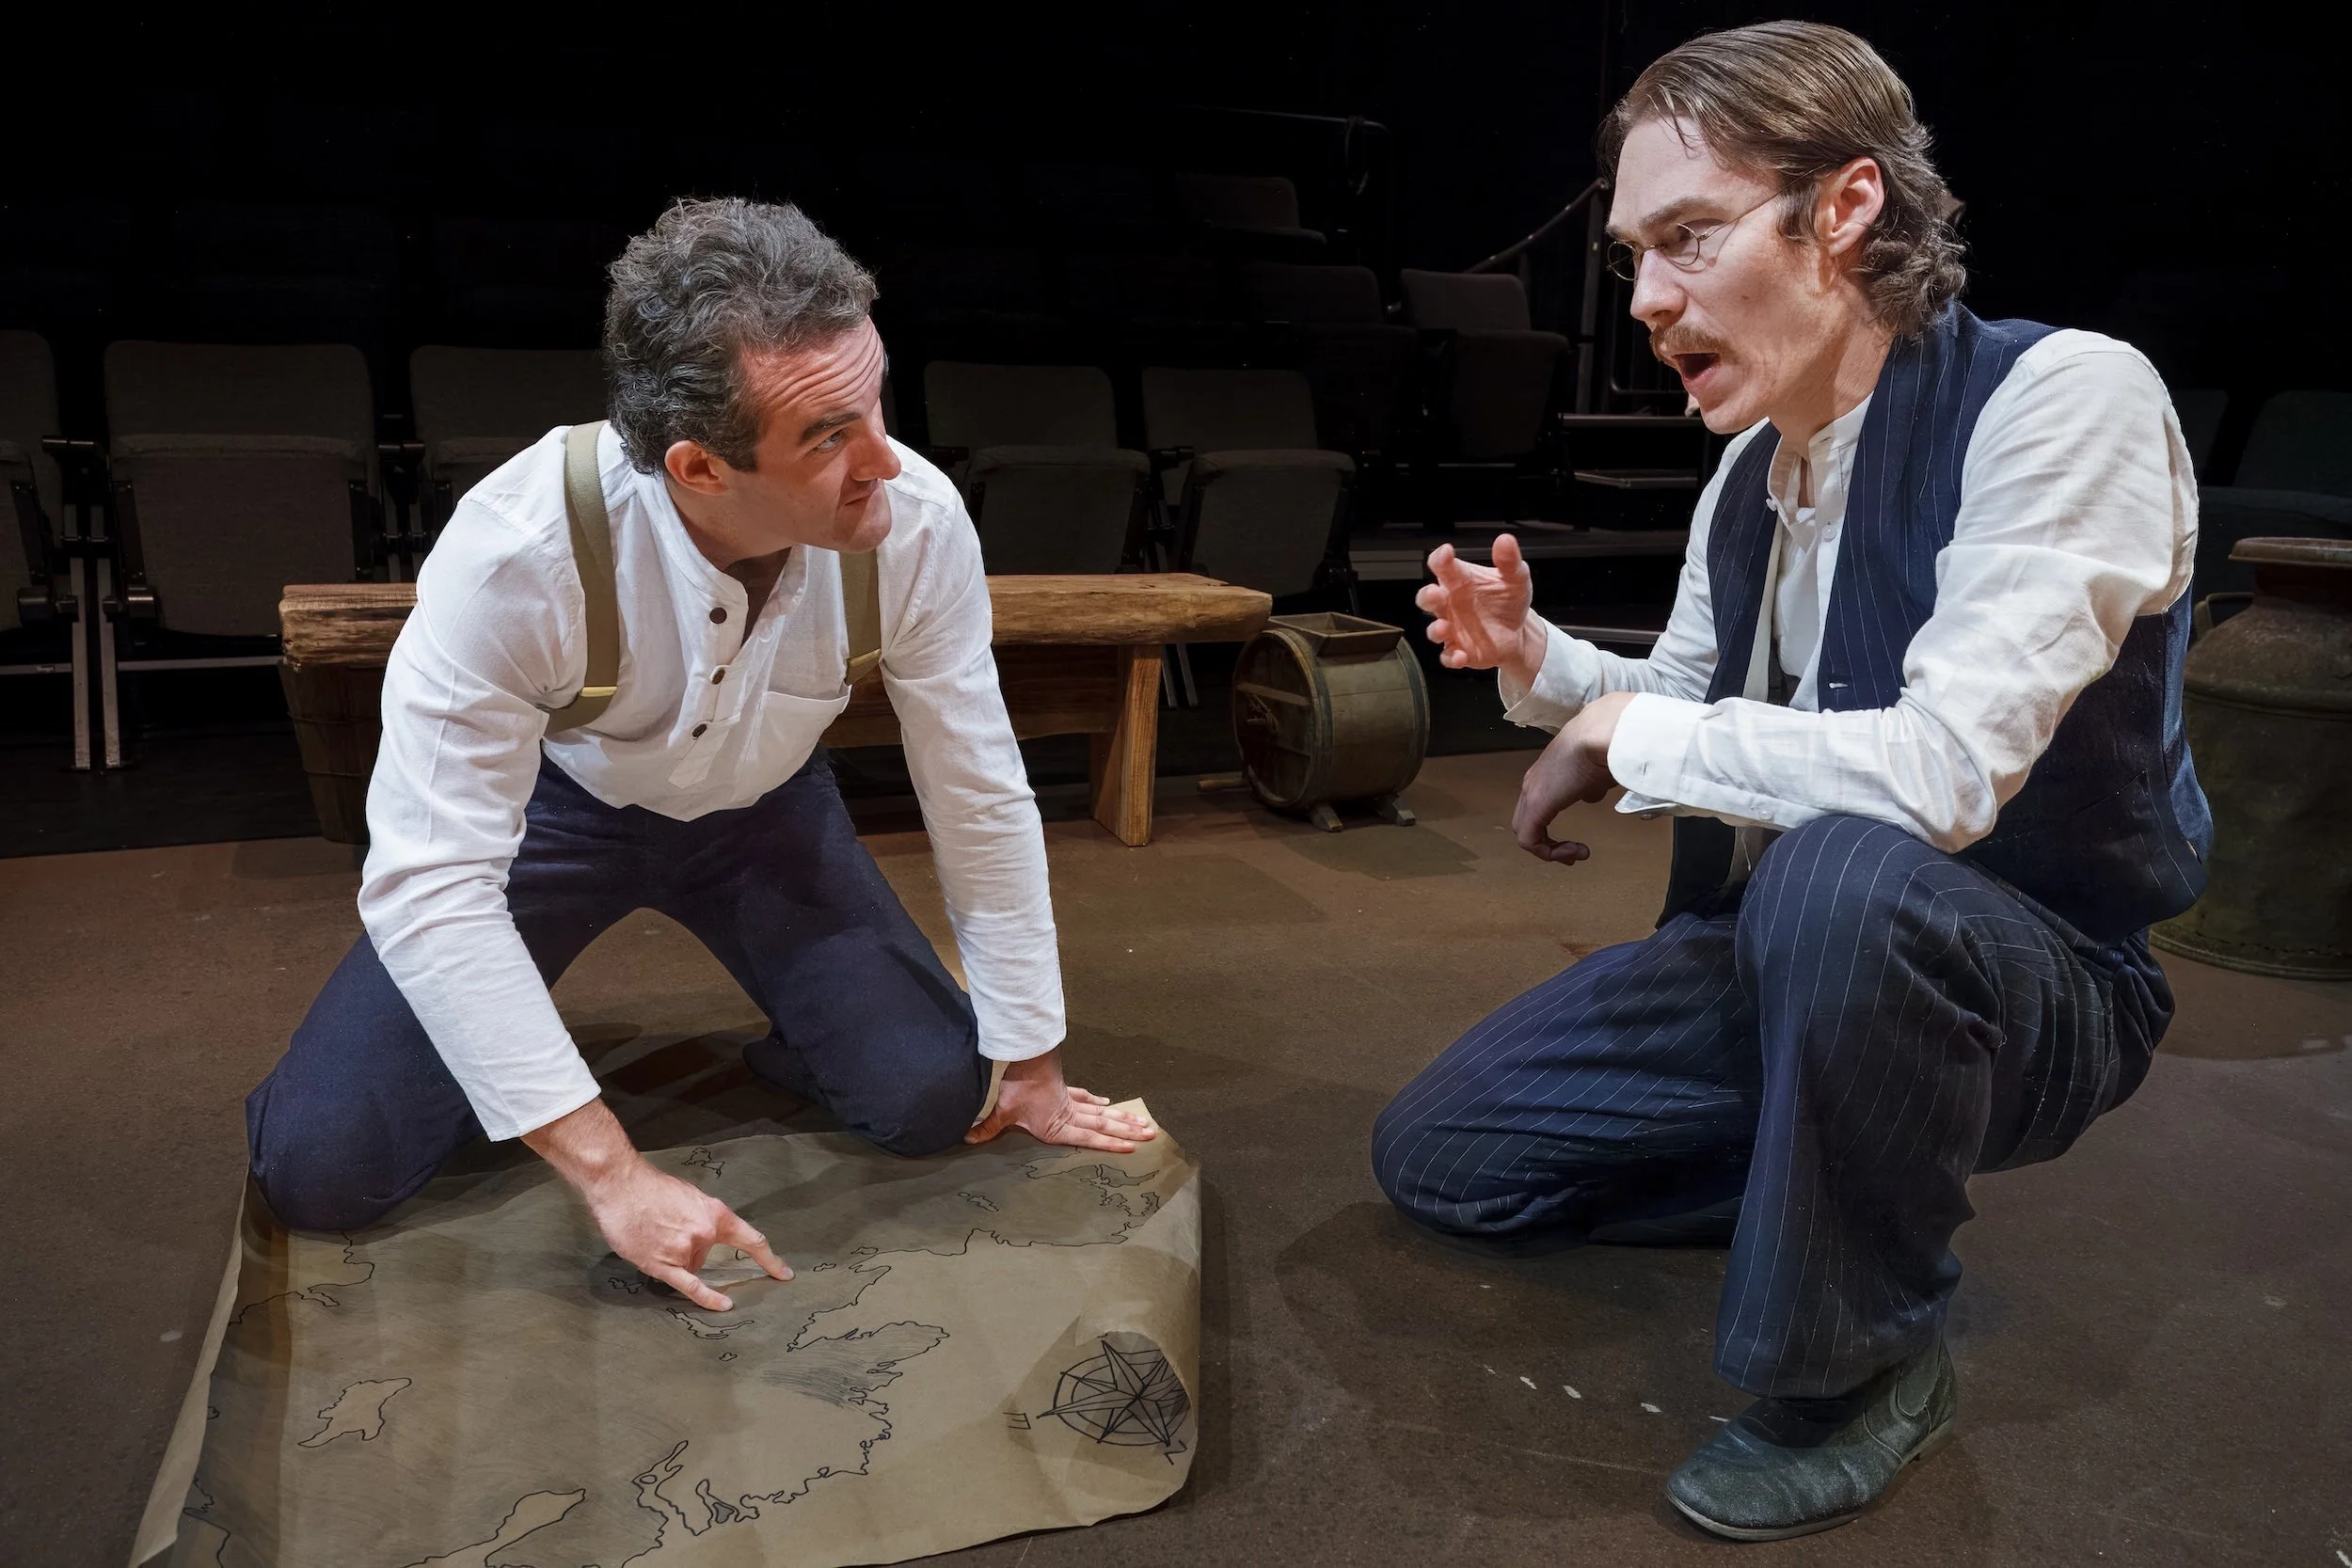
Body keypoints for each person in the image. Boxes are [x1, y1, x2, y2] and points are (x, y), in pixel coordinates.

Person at [1372, 21, 2206, 1542]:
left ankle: (1857, 1361)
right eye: (1634, 255)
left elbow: (1942, 773)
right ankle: (1821, 1181)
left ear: (1845, 209)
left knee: (1844, 862)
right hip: (1790, 954)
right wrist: (1551, 667)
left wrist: (1623, 738)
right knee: (1447, 1155)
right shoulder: (1748, 473)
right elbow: (1698, 705)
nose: (1647, 300)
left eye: (1688, 237)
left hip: (2036, 974)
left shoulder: (2062, 399)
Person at [246, 198, 1152, 1312]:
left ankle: (802, 1026)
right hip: (557, 816)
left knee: (931, 1097)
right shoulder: (519, 552)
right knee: (320, 1167)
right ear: (700, 467)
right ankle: (499, 1045)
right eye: (828, 436)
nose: (887, 460)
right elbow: (431, 881)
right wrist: (609, 1169)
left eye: (876, 401)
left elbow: (976, 787)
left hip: (767, 814)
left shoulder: (915, 524)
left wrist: (1034, 1052)